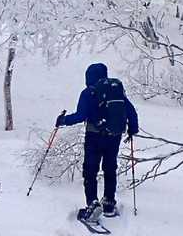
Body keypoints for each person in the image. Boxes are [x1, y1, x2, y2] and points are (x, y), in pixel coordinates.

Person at [56, 62, 139, 220]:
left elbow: (80, 116)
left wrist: (63, 120)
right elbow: (131, 111)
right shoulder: (116, 91)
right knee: (110, 168)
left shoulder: (88, 92)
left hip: (94, 136)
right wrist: (132, 129)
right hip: (113, 136)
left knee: (90, 170)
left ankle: (92, 204)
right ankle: (109, 203)